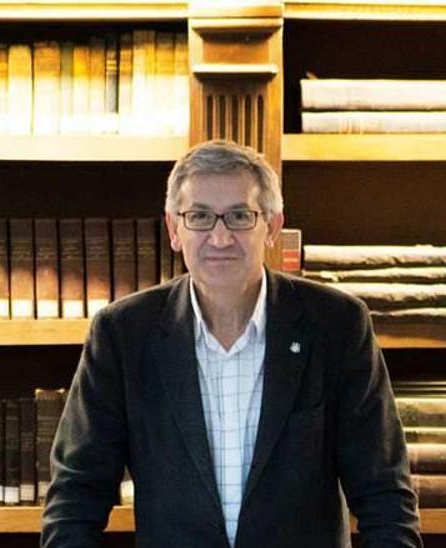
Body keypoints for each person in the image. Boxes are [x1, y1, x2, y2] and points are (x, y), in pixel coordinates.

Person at [41, 139, 421, 548]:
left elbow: (385, 499)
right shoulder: (123, 335)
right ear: (174, 229)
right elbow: (75, 501)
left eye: (239, 216)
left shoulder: (336, 326)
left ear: (272, 227)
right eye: (200, 217)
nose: (219, 238)